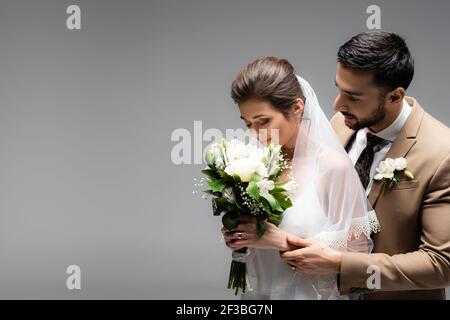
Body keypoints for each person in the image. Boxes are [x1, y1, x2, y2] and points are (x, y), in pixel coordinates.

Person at [282, 32, 450, 299]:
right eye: (338, 89)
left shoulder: (442, 153)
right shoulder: (340, 124)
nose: (337, 105)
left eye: (354, 97)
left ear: (395, 96)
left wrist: (340, 264)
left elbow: (441, 264)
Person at [221, 56, 380, 299]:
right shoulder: (256, 163)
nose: (256, 133)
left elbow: (356, 258)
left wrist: (280, 240)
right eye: (248, 124)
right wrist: (240, 232)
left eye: (263, 121)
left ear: (297, 107)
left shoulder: (332, 167)